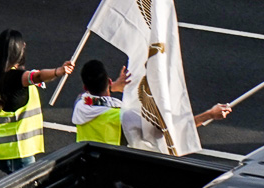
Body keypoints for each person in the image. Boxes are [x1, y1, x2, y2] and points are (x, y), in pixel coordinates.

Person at [71, 59, 233, 147]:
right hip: (114, 170)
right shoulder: (125, 116)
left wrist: (112, 87)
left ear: (85, 87)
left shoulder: (80, 104)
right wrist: (209, 115)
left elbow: (93, 97)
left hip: (88, 167)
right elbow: (169, 130)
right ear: (109, 80)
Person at [0, 29, 74, 174]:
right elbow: (39, 76)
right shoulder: (17, 78)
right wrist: (58, 71)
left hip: (1, 151)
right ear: (17, 51)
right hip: (20, 153)